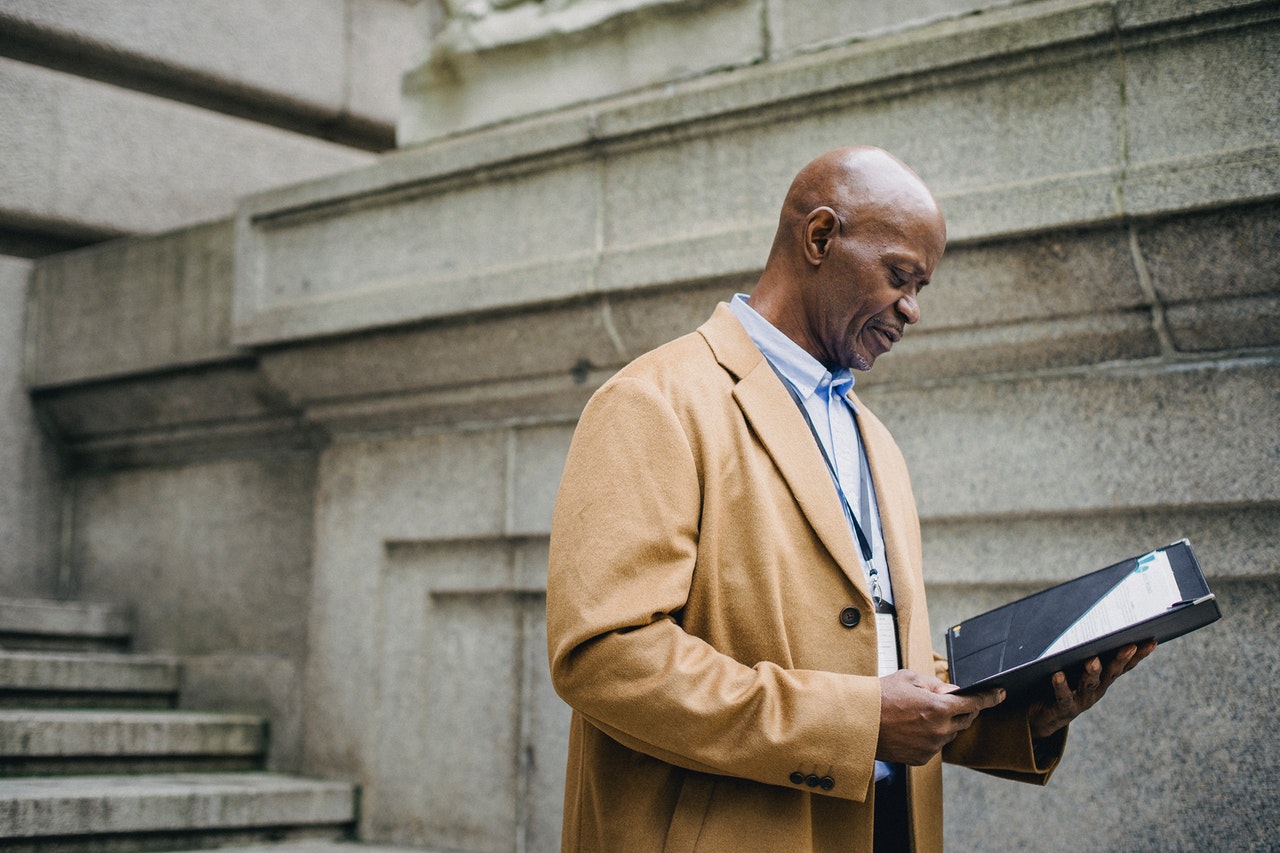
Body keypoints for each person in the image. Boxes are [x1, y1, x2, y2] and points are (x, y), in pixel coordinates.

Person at [545, 146, 1154, 852]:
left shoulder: (877, 440)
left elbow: (882, 663)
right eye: (900, 276)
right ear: (820, 237)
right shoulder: (653, 401)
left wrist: (1027, 712)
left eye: (922, 285)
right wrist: (856, 721)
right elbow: (607, 657)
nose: (914, 310)